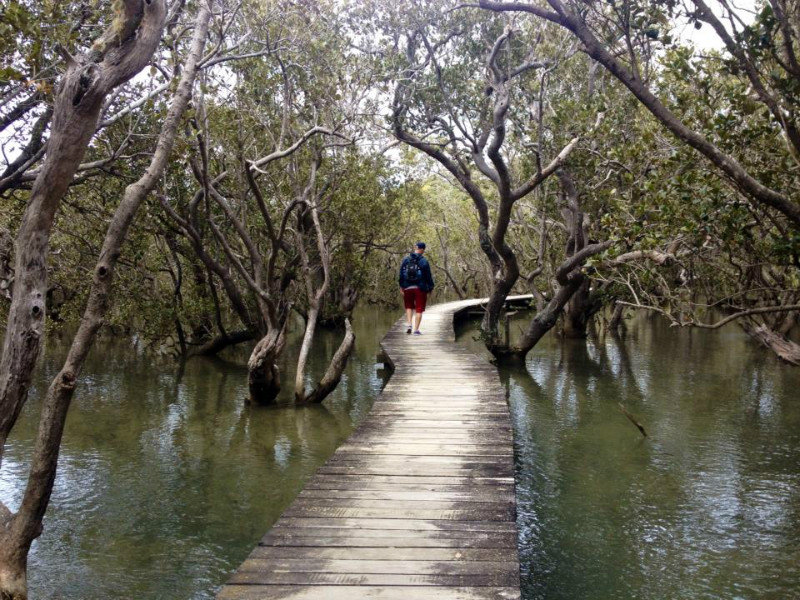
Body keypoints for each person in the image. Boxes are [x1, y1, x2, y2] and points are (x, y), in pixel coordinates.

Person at [398, 241, 435, 335]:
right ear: (422, 249)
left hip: (407, 287)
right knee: (419, 309)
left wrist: (402, 286)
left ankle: (409, 324)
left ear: (416, 248)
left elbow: (401, 273)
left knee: (409, 307)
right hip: (420, 288)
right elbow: (428, 276)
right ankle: (416, 330)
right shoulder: (424, 261)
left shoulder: (406, 259)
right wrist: (430, 287)